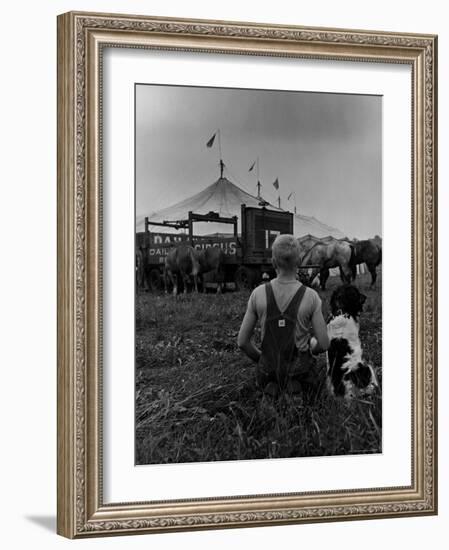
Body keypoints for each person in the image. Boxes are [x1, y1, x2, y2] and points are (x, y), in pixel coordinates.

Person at [237, 234, 329, 397]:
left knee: (266, 377)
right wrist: (312, 347)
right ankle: (297, 391)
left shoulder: (257, 294)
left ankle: (272, 387)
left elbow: (242, 342)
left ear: (273, 262)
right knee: (316, 376)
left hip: (268, 369)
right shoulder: (311, 296)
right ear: (299, 262)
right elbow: (323, 343)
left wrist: (262, 359)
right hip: (300, 371)